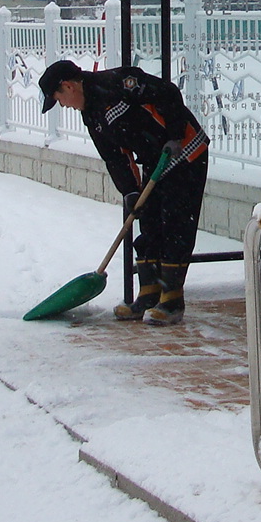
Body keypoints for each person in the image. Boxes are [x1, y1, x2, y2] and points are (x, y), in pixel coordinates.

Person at [40, 59, 208, 326]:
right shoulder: (91, 114)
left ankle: (172, 301)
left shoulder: (117, 84)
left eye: (59, 98)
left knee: (175, 224)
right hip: (155, 160)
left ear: (68, 86)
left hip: (184, 151)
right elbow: (114, 157)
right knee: (149, 223)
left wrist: (175, 135)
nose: (63, 105)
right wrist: (130, 191)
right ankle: (149, 295)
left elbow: (167, 92)